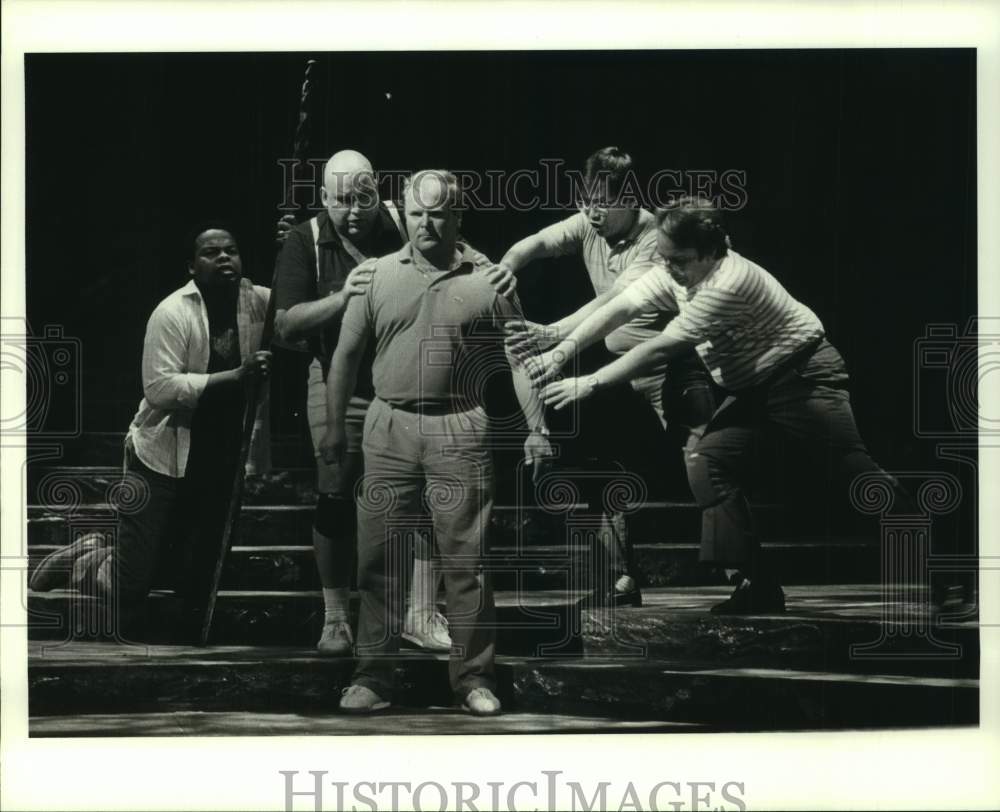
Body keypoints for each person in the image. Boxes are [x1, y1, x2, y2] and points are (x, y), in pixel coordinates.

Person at [532, 196, 912, 613]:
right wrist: (562, 350)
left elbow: (662, 346)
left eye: (680, 260)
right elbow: (623, 306)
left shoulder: (728, 283)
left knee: (855, 478)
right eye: (665, 257)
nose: (670, 268)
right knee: (706, 460)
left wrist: (591, 382)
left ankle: (946, 560)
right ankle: (758, 584)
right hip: (752, 390)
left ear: (714, 250)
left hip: (803, 381)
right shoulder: (678, 268)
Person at [321, 170, 553, 716]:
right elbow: (345, 357)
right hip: (389, 424)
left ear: (458, 216)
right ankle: (373, 676)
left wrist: (538, 429)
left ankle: (474, 678)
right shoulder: (375, 275)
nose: (429, 223)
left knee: (465, 560)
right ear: (405, 213)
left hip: (460, 425)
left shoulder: (489, 280)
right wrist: (334, 427)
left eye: (440, 213)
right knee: (379, 558)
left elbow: (521, 358)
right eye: (419, 213)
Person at [274, 150, 516, 655]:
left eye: (363, 197)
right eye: (341, 201)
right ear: (324, 199)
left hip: (411, 377)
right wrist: (343, 297)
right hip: (339, 372)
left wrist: (495, 270)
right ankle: (337, 616)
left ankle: (422, 613)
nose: (354, 210)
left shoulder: (402, 218)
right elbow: (285, 325)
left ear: (377, 192)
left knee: (428, 495)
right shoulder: (304, 242)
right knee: (336, 486)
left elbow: (451, 246)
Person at [501, 147, 716, 606]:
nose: (590, 213)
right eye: (585, 202)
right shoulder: (587, 223)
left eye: (602, 203)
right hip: (619, 374)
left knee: (710, 462)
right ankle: (620, 580)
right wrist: (505, 268)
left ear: (629, 200)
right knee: (607, 464)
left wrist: (554, 335)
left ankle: (746, 575)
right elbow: (537, 242)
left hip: (669, 366)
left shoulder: (654, 239)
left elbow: (614, 303)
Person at [30, 228, 272, 629]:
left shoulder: (260, 301)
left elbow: (298, 316)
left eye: (232, 251)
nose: (224, 258)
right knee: (129, 586)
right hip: (161, 454)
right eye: (211, 253)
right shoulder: (173, 311)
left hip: (218, 456)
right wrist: (235, 376)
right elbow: (159, 388)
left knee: (188, 575)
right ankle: (88, 559)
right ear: (192, 266)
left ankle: (108, 555)